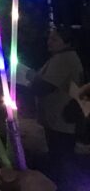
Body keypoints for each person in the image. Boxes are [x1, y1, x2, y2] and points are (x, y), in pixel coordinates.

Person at [28, 25, 84, 188]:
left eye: (54, 39)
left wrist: (31, 78)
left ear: (66, 42)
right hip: (58, 120)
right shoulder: (60, 58)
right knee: (60, 160)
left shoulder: (64, 60)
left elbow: (43, 87)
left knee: (62, 162)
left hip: (61, 122)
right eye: (49, 38)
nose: (49, 42)